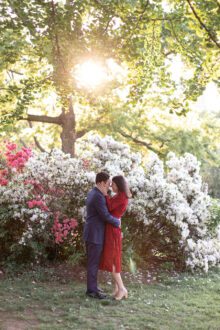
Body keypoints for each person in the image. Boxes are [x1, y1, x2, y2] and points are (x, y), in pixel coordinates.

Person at [83, 172, 121, 299]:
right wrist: (117, 222)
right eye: (108, 184)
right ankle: (92, 291)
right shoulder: (98, 196)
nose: (109, 188)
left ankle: (92, 287)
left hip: (93, 234)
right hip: (95, 235)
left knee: (93, 263)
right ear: (101, 183)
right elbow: (105, 215)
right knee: (93, 263)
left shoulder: (94, 193)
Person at [99, 175, 131, 300]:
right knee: (114, 258)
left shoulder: (121, 196)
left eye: (112, 184)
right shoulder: (120, 195)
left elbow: (110, 207)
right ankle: (117, 289)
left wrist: (105, 194)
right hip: (112, 228)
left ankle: (122, 288)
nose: (111, 186)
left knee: (112, 259)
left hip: (113, 230)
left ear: (118, 184)